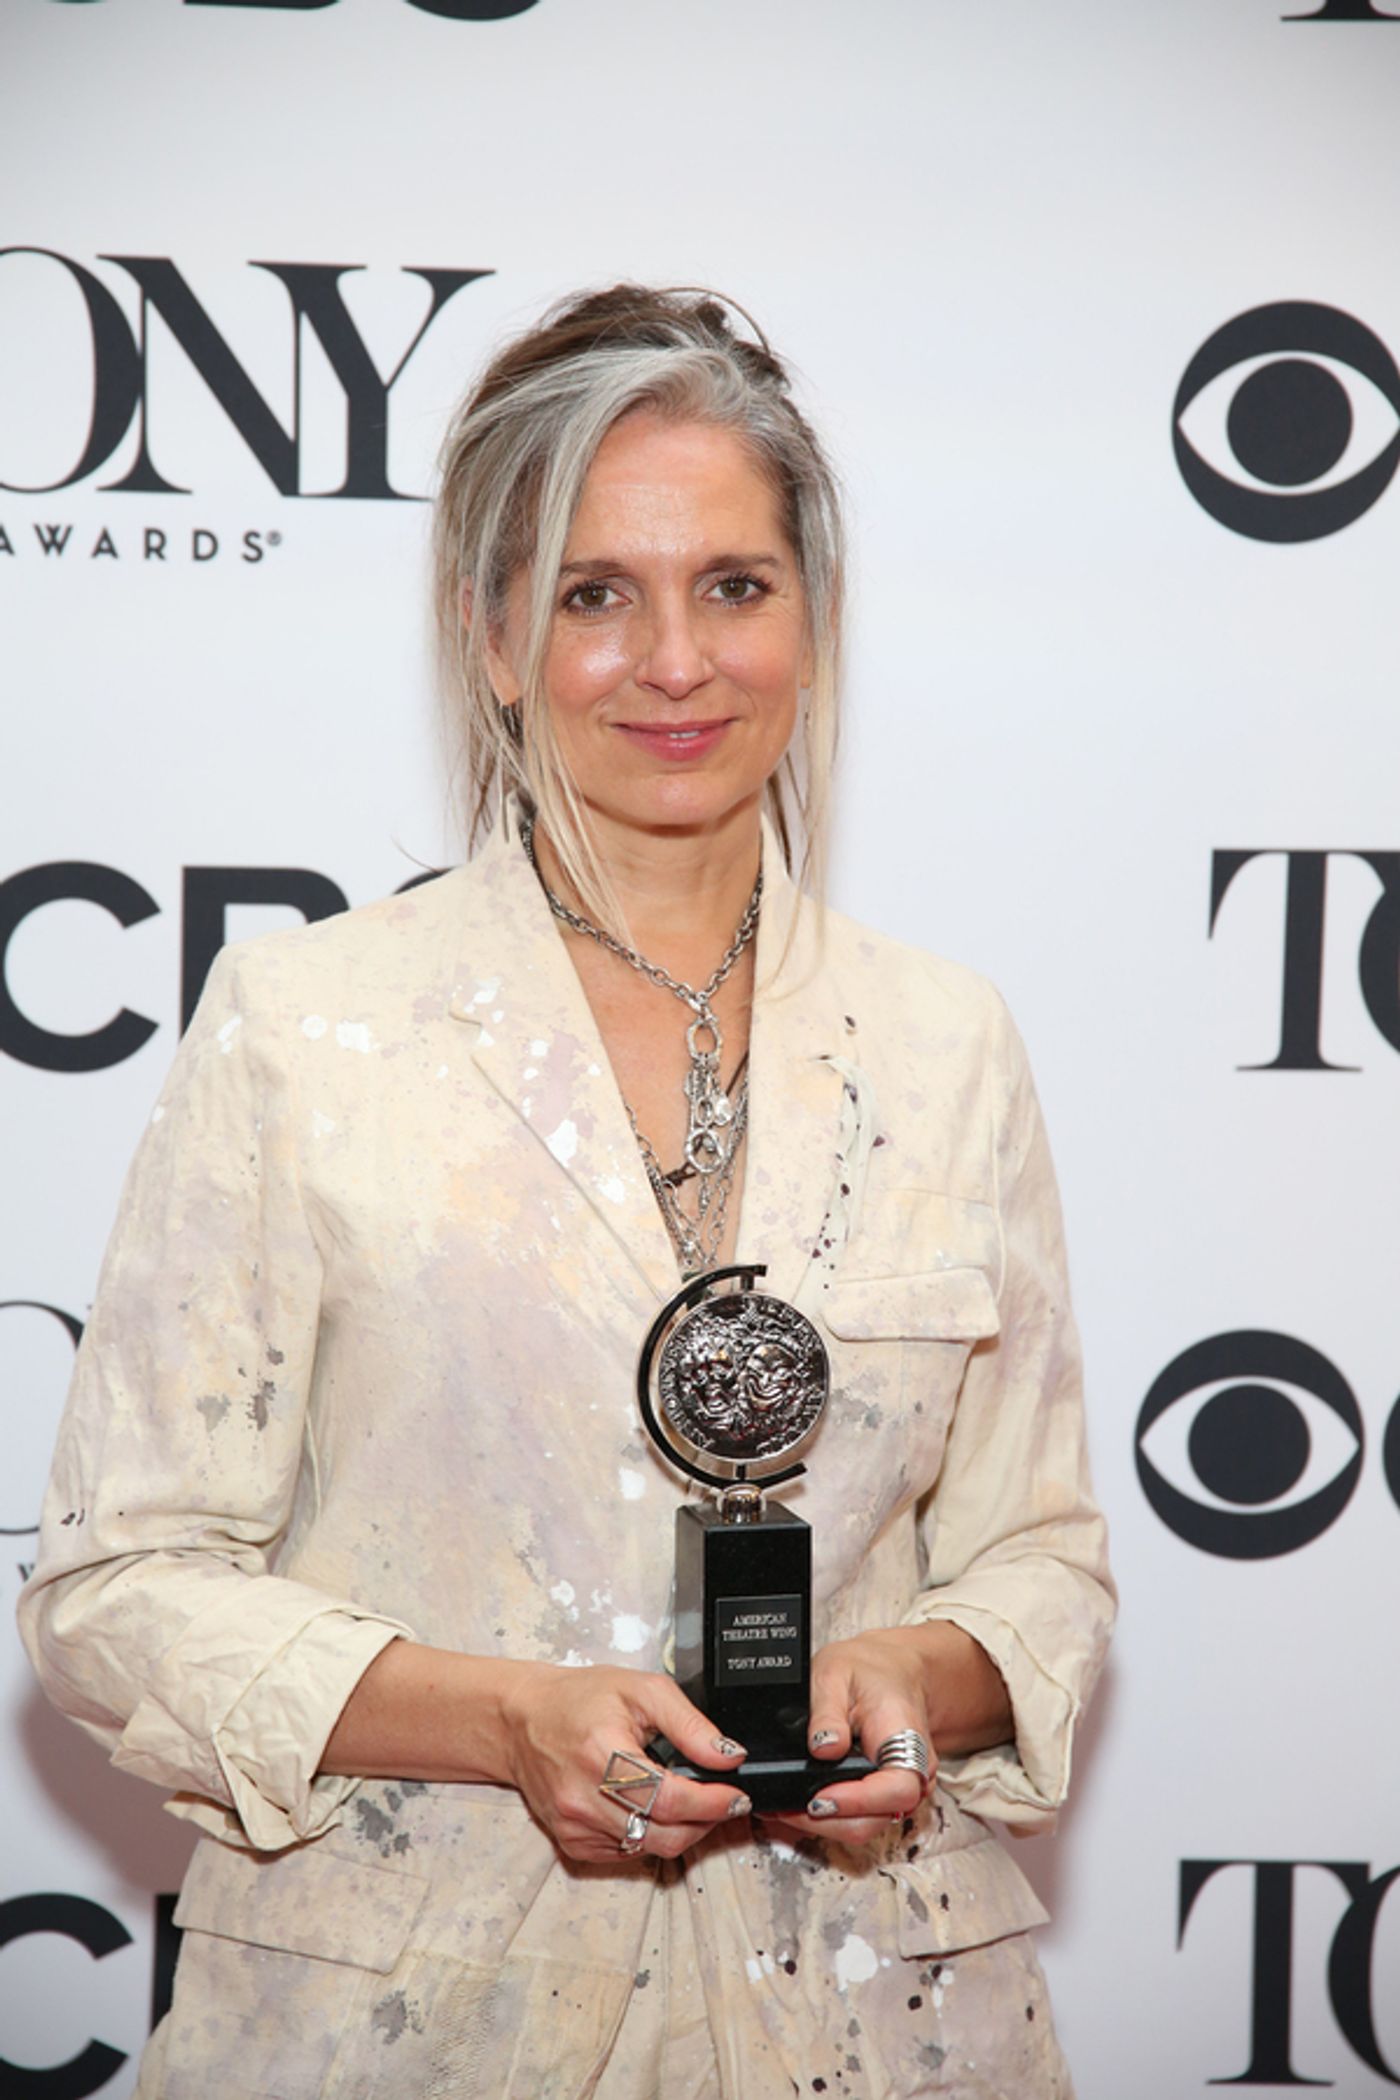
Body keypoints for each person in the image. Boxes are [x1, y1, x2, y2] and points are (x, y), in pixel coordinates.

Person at [19, 284, 1115, 2099]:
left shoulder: (948, 1041)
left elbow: (1045, 1562)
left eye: (735, 587)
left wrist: (906, 1674)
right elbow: (117, 1588)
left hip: (879, 2014)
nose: (674, 659)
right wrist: (508, 1718)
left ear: (814, 623)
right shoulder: (308, 1031)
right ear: (493, 639)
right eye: (595, 595)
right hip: (416, 2017)